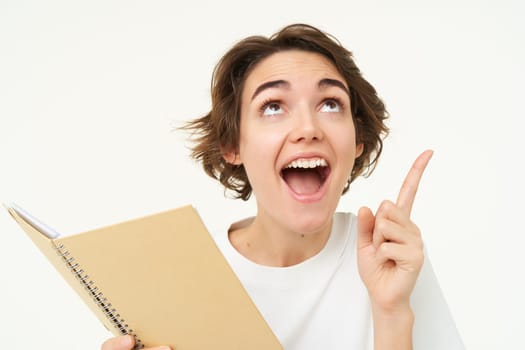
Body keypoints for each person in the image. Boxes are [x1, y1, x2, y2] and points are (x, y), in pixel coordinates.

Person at [102, 23, 463, 350]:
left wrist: (392, 312)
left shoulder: (391, 256)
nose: (308, 128)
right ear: (232, 145)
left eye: (330, 103)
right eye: (273, 106)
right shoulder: (178, 271)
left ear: (357, 142)